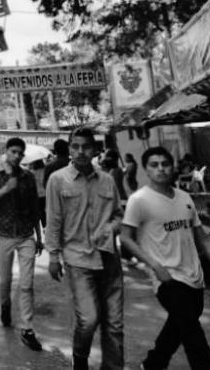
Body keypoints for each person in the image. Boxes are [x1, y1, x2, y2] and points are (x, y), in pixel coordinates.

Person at [119, 146, 210, 370]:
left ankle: (153, 363)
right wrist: (153, 265)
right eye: (154, 165)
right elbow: (126, 237)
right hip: (167, 279)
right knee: (194, 337)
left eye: (165, 164)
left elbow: (204, 240)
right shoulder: (139, 200)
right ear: (146, 170)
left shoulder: (185, 198)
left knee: (178, 326)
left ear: (173, 166)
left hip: (194, 277)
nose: (161, 169)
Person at [45, 127, 124, 370]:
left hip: (108, 257)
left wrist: (112, 228)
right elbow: (54, 219)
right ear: (69, 149)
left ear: (95, 149)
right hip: (77, 258)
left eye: (86, 146)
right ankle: (80, 360)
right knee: (89, 319)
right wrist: (53, 255)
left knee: (114, 324)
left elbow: (119, 215)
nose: (81, 151)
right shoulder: (57, 180)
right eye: (76, 146)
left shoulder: (107, 180)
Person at [0, 137, 44, 352]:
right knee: (5, 280)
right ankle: (5, 306)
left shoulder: (28, 177)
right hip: (5, 234)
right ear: (6, 152)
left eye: (20, 153)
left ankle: (27, 329)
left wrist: (39, 237)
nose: (16, 156)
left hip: (26, 234)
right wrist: (5, 189)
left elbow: (35, 208)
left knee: (27, 284)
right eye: (13, 151)